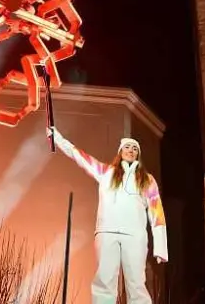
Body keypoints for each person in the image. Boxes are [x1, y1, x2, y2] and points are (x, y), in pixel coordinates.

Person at [48, 126, 168, 304]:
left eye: (135, 148)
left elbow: (157, 212)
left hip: (135, 236)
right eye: (127, 147)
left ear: (138, 155)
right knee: (104, 281)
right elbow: (79, 156)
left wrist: (160, 247)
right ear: (120, 151)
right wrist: (57, 138)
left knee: (136, 284)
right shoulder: (106, 173)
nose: (131, 151)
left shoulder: (146, 180)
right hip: (107, 232)